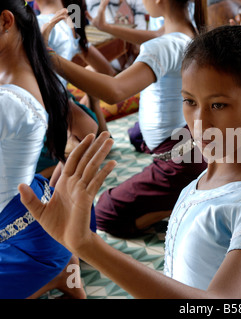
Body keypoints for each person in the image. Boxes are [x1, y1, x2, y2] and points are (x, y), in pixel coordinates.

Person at [19, 25, 241, 299]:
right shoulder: (217, 174)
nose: (200, 123)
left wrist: (87, 245)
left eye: (218, 105)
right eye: (190, 101)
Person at [44, 0, 209, 238]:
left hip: (179, 161)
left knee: (106, 213)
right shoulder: (189, 30)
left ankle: (184, 201)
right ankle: (188, 185)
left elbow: (115, 91)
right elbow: (154, 36)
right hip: (190, 142)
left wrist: (49, 56)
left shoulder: (166, 43)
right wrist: (105, 26)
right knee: (135, 135)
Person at [0, 0, 85, 299]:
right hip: (39, 218)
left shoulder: (8, 101)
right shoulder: (29, 76)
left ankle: (54, 270)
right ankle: (63, 267)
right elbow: (88, 129)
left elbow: (89, 134)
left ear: (5, 22)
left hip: (25, 238)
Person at [35, 0, 116, 184]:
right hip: (63, 108)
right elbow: (108, 72)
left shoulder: (40, 25)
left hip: (50, 115)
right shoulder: (71, 24)